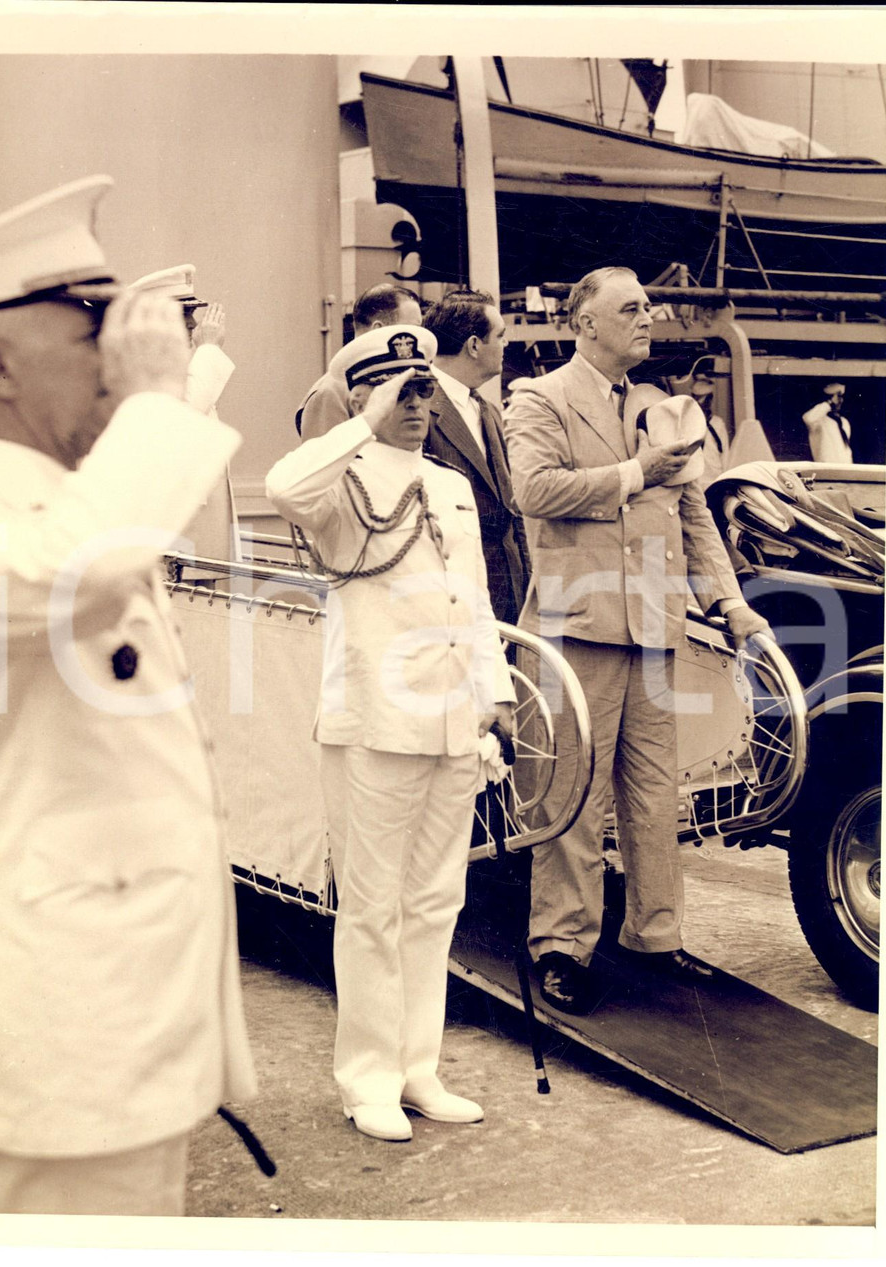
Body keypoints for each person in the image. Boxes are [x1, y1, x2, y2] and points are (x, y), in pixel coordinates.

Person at [0, 176, 258, 1215]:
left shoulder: (57, 492)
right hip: (67, 1016)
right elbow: (69, 575)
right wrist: (162, 406)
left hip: (133, 998)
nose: (120, 369)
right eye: (96, 333)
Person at [266, 326, 515, 1142]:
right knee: (371, 909)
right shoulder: (340, 475)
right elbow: (283, 486)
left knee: (436, 901)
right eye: (399, 391)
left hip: (450, 723)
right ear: (368, 394)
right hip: (374, 724)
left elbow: (472, 599)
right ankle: (366, 1078)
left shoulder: (448, 485)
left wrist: (495, 692)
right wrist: (356, 419)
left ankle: (418, 1066)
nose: (417, 406)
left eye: (422, 391)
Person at [503, 266, 771, 1016]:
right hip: (572, 628)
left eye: (648, 306)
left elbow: (696, 518)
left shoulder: (666, 410)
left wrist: (729, 601)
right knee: (571, 792)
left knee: (656, 795)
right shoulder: (539, 399)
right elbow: (533, 489)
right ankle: (562, 945)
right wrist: (632, 472)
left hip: (653, 630)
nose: (646, 317)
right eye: (629, 308)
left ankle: (655, 936)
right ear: (582, 321)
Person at [421, 288, 530, 625]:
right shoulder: (418, 409)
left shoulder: (488, 411)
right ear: (473, 345)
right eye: (500, 335)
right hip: (452, 596)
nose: (506, 344)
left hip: (507, 592)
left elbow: (513, 509)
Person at [130, 264, 240, 562]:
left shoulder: (171, 366)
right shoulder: (137, 370)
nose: (194, 324)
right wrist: (208, 350)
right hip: (173, 537)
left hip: (192, 532)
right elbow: (182, 416)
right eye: (184, 315)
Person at [295, 282, 422, 439]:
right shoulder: (332, 392)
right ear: (378, 330)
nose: (419, 337)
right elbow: (326, 459)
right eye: (412, 329)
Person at [688, 371, 732, 487]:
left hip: (715, 478)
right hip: (695, 480)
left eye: (704, 400)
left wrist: (724, 478)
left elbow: (725, 453)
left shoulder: (717, 423)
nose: (701, 404)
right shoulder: (687, 422)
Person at [802, 381, 853, 464]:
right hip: (826, 468)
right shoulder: (819, 421)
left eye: (841, 397)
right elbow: (807, 418)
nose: (840, 400)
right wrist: (829, 403)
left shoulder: (844, 422)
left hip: (845, 468)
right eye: (838, 397)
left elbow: (846, 450)